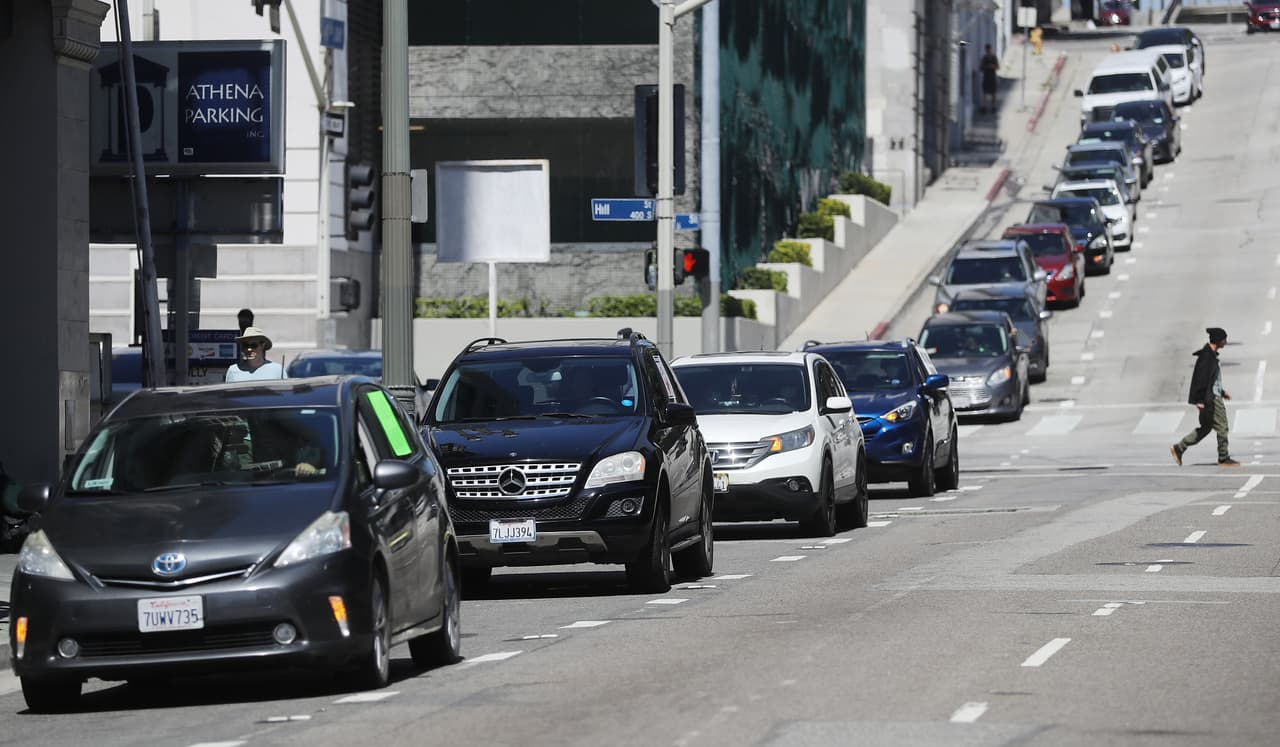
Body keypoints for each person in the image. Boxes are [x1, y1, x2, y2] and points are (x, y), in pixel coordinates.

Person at [1171, 327, 1238, 467]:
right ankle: (1223, 457)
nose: (1226, 342)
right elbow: (1201, 379)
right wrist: (1200, 400)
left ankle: (1179, 448)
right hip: (1211, 398)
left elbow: (1211, 379)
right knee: (1222, 427)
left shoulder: (1210, 354)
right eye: (1224, 339)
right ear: (1218, 340)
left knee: (1206, 427)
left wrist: (1222, 392)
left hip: (1211, 395)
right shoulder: (1207, 357)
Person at [979, 44, 999, 113]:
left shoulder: (994, 57)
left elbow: (997, 67)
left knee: (993, 93)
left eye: (989, 49)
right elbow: (981, 67)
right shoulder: (984, 58)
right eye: (987, 50)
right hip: (986, 77)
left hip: (992, 77)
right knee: (985, 93)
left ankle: (993, 107)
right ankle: (985, 107)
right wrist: (987, 66)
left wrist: (992, 66)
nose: (988, 51)